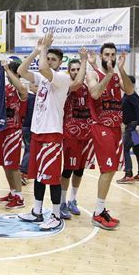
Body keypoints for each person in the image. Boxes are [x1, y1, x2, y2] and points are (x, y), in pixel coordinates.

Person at [18, 32, 86, 231]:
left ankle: (56, 215)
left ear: (59, 63)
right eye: (47, 58)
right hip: (38, 132)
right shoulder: (43, 79)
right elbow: (22, 70)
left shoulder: (62, 79)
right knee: (39, 175)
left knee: (52, 176)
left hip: (52, 133)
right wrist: (36, 50)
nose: (48, 61)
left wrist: (45, 48)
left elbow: (41, 68)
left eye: (52, 59)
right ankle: (37, 211)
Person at [86, 43, 134, 230]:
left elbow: (129, 91)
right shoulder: (93, 74)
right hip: (101, 126)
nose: (110, 58)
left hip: (116, 128)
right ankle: (98, 213)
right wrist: (108, 74)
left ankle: (101, 209)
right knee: (107, 169)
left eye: (113, 55)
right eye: (107, 54)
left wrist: (121, 70)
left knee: (112, 169)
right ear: (101, 55)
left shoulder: (116, 74)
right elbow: (95, 93)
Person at [59, 54, 94, 219]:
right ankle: (61, 202)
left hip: (86, 135)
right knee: (67, 170)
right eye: (73, 69)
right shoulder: (67, 86)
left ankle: (73, 200)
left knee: (80, 170)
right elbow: (77, 83)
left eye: (78, 69)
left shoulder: (88, 88)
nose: (75, 72)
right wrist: (84, 61)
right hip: (71, 134)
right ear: (69, 72)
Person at [0, 60, 28, 209]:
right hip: (3, 130)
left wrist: (7, 70)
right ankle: (13, 192)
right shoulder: (5, 88)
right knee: (5, 164)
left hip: (14, 131)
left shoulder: (21, 88)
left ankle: (19, 198)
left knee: (13, 165)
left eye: (9, 73)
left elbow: (20, 87)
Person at [117, 75, 139, 183]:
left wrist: (138, 125)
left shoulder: (131, 95)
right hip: (133, 125)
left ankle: (128, 175)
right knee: (137, 150)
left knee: (125, 149)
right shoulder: (128, 94)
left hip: (133, 126)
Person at [20, 82, 37, 185]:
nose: (37, 87)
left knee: (29, 148)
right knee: (29, 148)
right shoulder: (32, 98)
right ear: (30, 86)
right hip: (29, 126)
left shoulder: (26, 97)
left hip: (26, 126)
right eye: (35, 85)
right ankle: (23, 172)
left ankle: (26, 170)